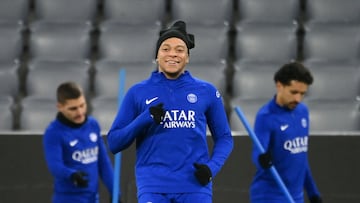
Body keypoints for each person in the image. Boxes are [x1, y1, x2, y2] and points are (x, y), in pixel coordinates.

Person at [107, 20, 233, 203]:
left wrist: (211, 168)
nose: (172, 54)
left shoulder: (207, 91)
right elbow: (114, 142)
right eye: (166, 48)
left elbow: (225, 138)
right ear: (157, 56)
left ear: (187, 57)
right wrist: (146, 118)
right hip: (153, 186)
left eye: (180, 50)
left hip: (195, 186)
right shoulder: (137, 92)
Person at [249, 62, 322, 203]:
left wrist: (313, 192)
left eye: (302, 94)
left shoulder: (303, 112)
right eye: (293, 92)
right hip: (269, 196)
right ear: (279, 85)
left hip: (296, 196)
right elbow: (257, 153)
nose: (298, 99)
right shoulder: (266, 116)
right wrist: (262, 160)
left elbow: (301, 157)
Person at [43, 82, 118, 203]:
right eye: (73, 108)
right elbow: (55, 166)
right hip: (67, 199)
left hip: (93, 198)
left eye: (82, 105)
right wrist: (71, 175)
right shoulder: (54, 132)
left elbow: (103, 163)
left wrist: (115, 192)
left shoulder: (93, 125)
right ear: (60, 107)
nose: (80, 112)